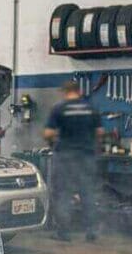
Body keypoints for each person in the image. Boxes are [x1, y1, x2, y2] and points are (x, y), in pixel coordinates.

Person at [43, 81, 103, 242]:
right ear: (79, 91)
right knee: (88, 193)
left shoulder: (59, 108)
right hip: (86, 156)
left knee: (63, 194)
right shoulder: (91, 108)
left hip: (65, 157)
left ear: (65, 92)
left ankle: (64, 233)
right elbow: (99, 132)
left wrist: (56, 140)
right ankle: (91, 232)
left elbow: (48, 133)